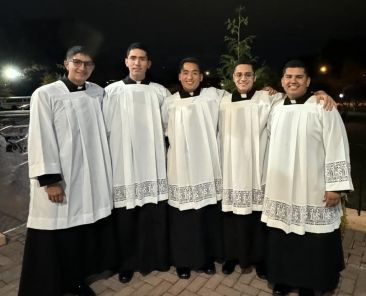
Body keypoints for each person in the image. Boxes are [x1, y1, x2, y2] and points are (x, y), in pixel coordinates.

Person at [18, 45, 116, 296]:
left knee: (79, 232)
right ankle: (47, 285)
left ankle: (76, 280)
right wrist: (50, 180)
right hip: (61, 175)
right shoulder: (46, 94)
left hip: (88, 176)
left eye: (88, 64)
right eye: (77, 62)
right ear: (66, 63)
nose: (82, 68)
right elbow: (41, 136)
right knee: (55, 230)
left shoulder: (98, 93)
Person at [261, 60, 353, 296]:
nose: (293, 81)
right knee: (282, 233)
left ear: (308, 81)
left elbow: (337, 146)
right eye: (288, 77)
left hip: (312, 185)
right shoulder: (275, 107)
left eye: (299, 77)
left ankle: (310, 282)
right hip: (281, 185)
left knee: (312, 236)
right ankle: (282, 278)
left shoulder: (323, 107)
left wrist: (335, 187)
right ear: (282, 81)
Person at [103, 42, 171, 283]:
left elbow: (170, 125)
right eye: (133, 58)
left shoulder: (160, 92)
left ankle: (158, 258)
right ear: (126, 61)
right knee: (126, 216)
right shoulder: (111, 92)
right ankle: (127, 263)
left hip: (152, 162)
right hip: (124, 164)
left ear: (148, 64)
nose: (137, 62)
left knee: (152, 214)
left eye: (142, 58)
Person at [218, 60, 283, 277]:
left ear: (254, 78)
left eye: (248, 75)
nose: (243, 78)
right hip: (232, 170)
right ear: (233, 77)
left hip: (256, 170)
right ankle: (231, 257)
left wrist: (321, 92)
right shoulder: (224, 101)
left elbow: (291, 103)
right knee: (232, 217)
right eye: (239, 75)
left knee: (256, 217)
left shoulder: (267, 99)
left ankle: (258, 259)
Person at [166, 57, 226, 279]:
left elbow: (244, 99)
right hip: (180, 167)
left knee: (205, 216)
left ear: (201, 77)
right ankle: (183, 261)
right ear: (180, 76)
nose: (190, 77)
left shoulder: (214, 96)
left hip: (206, 166)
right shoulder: (169, 102)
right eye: (185, 72)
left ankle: (206, 259)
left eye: (195, 73)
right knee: (183, 218)